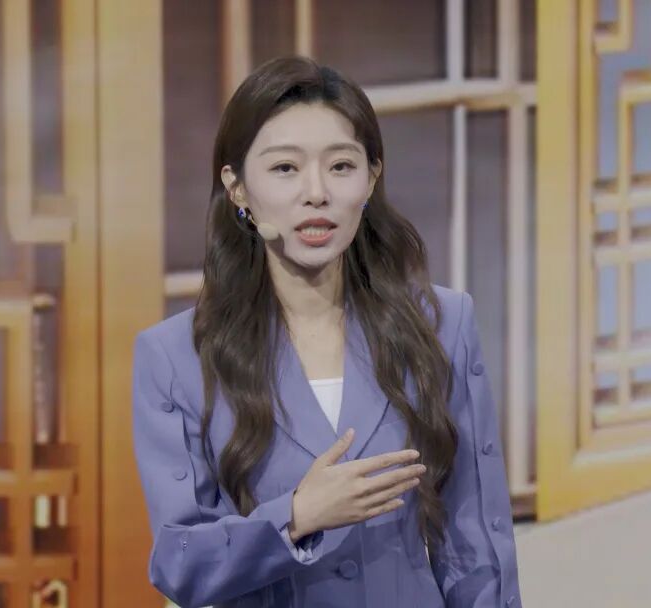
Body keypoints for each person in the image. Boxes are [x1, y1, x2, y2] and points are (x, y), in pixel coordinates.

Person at [131, 56, 522, 608]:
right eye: (285, 169)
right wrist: (296, 517)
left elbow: (474, 544)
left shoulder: (442, 324)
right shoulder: (175, 357)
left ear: (371, 177)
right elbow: (181, 563)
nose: (316, 193)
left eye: (340, 166)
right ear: (237, 187)